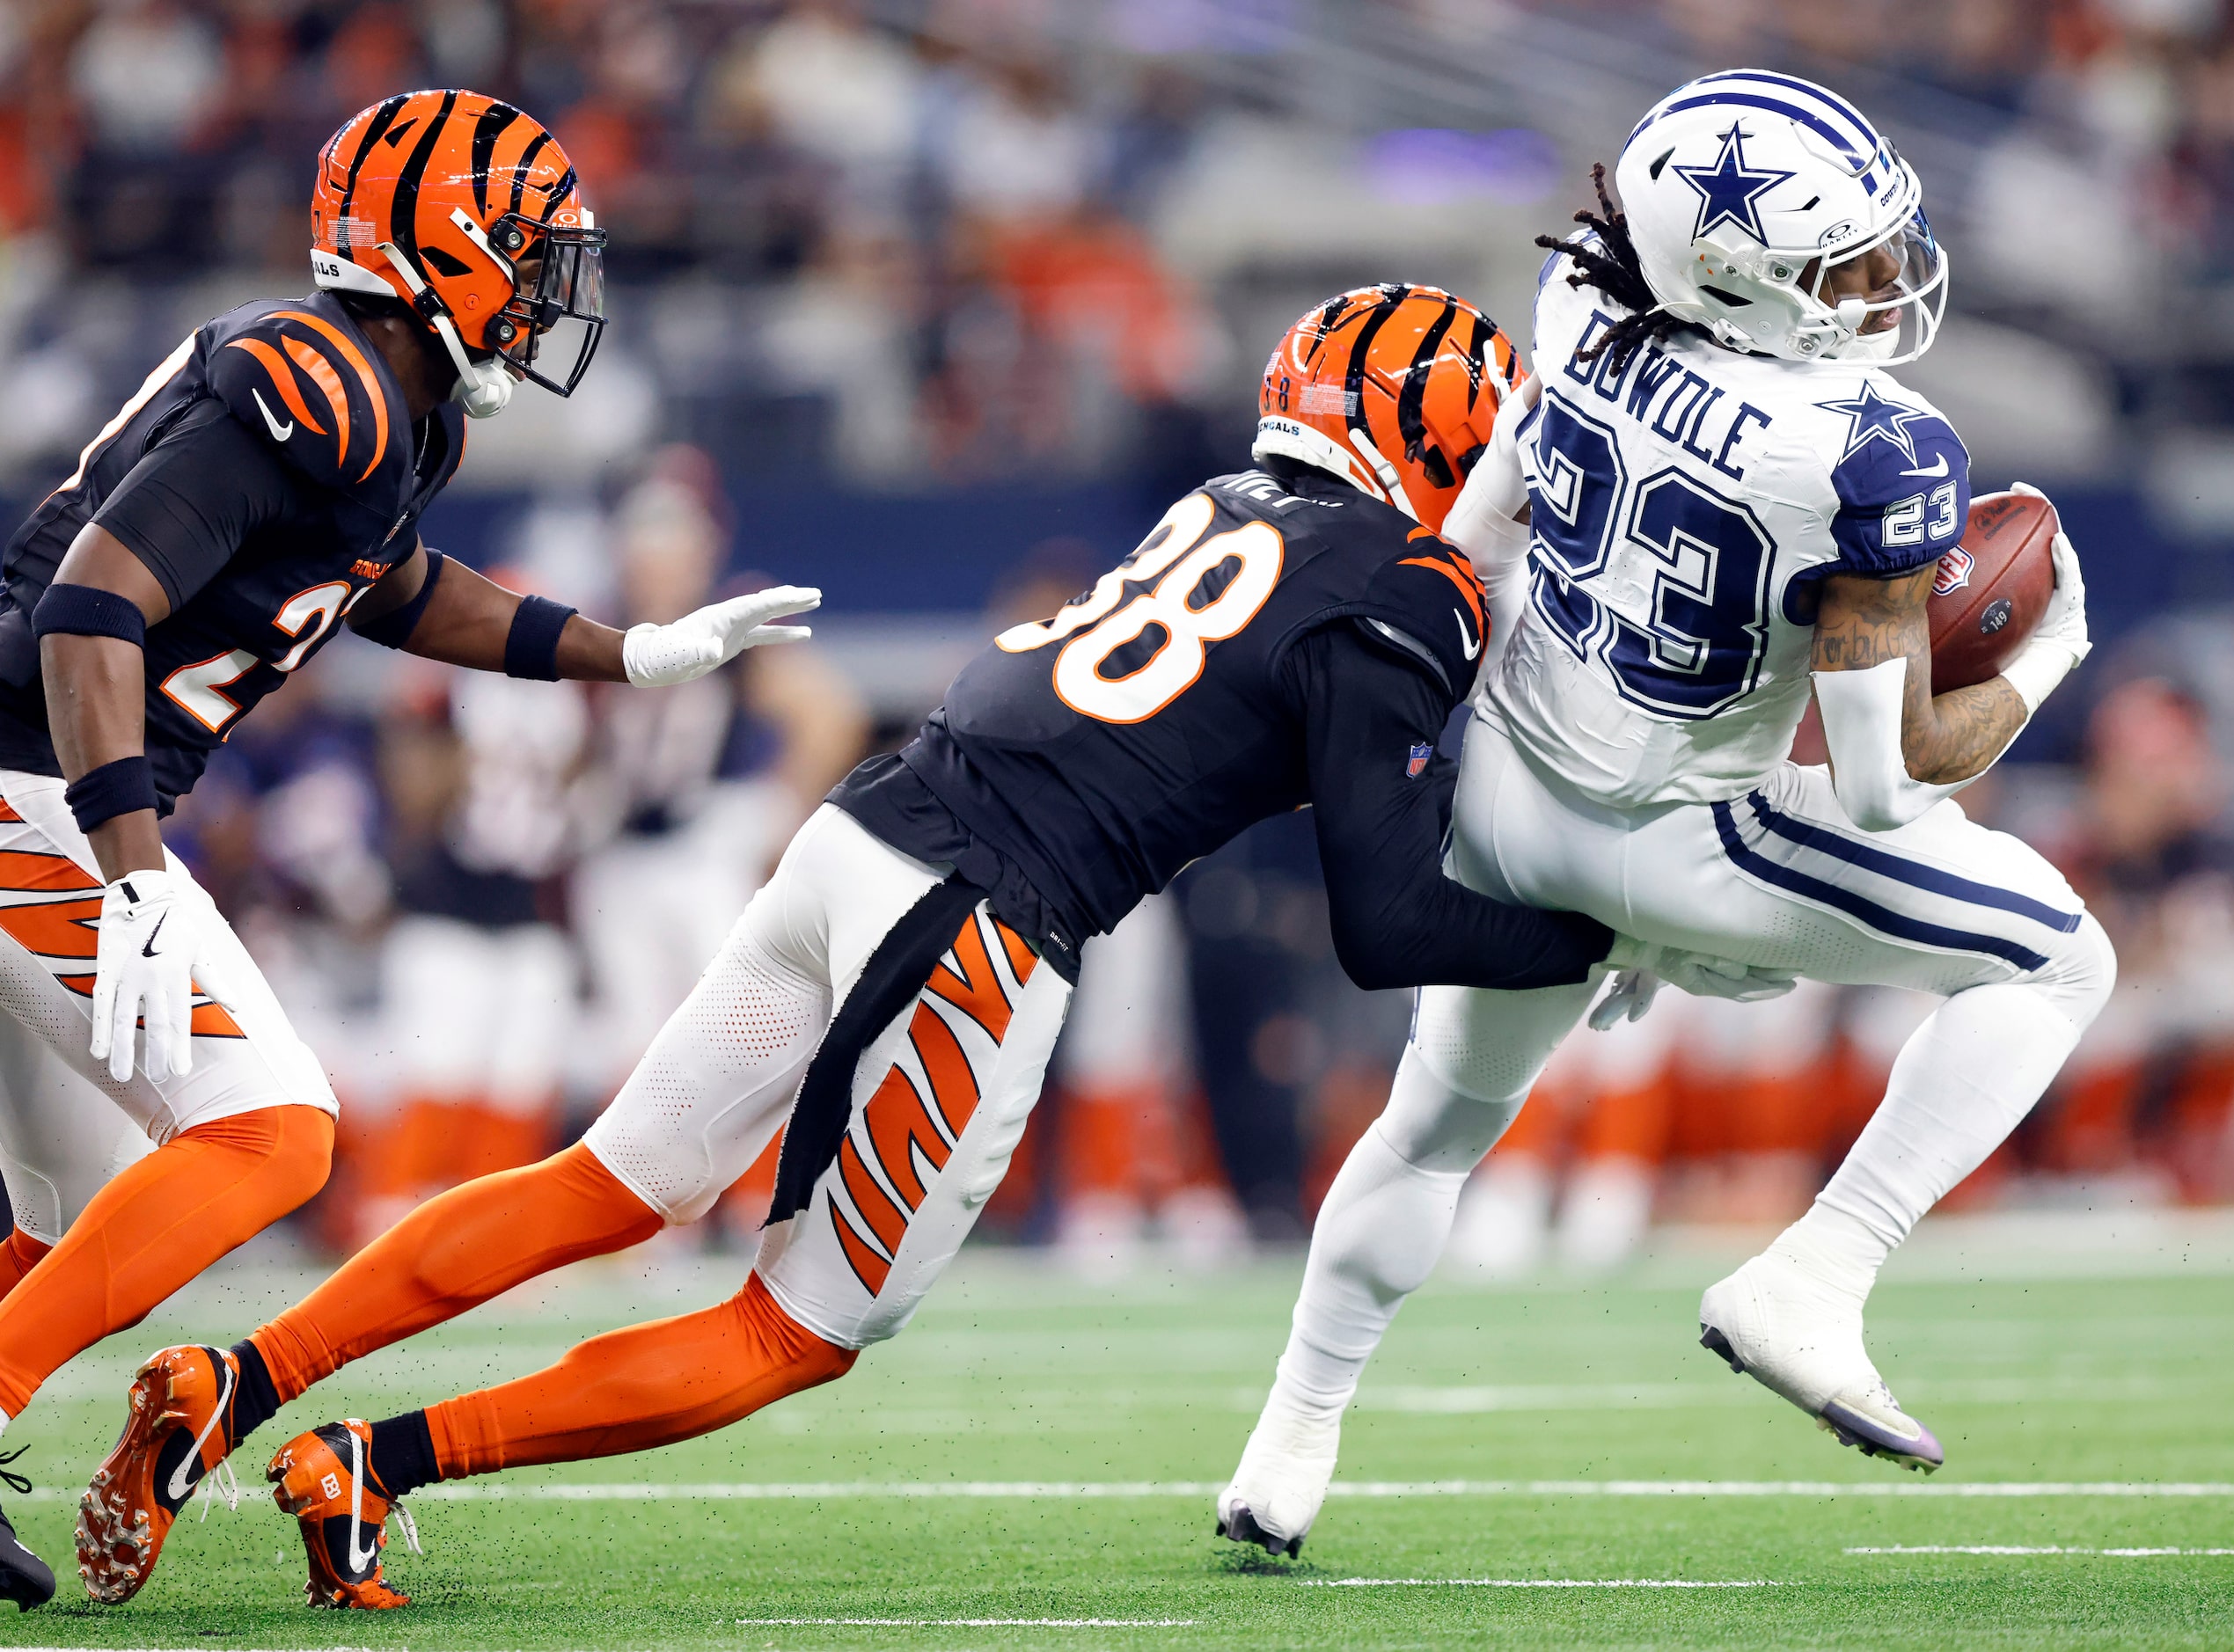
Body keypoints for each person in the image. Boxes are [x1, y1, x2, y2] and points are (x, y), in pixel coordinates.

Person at [92, 285, 1754, 1610]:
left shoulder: (1222, 501)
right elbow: (1388, 920)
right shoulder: (1400, 585)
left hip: (869, 825)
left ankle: (241, 1380)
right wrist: (1591, 926)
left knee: (608, 1182)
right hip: (987, 910)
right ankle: (374, 1460)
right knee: (794, 1329)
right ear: (1449, 444)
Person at [1219, 72, 2116, 1558]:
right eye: (1844, 267)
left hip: (1503, 794)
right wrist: (2041, 655)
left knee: (1433, 1129)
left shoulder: (1581, 299)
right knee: (2058, 958)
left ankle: (1286, 1446)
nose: (1882, 290)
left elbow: (1474, 537)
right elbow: (1893, 781)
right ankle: (1816, 1274)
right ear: (1734, 269)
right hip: (1694, 828)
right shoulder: (1866, 446)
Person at [0, 90, 821, 1612]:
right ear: (436, 242)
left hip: (50, 782)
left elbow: (392, 586)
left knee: (69, 1195)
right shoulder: (309, 381)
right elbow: (89, 607)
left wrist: (627, 654)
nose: (544, 287)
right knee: (274, 1130)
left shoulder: (391, 407)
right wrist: (125, 864)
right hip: (33, 779)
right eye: (522, 251)